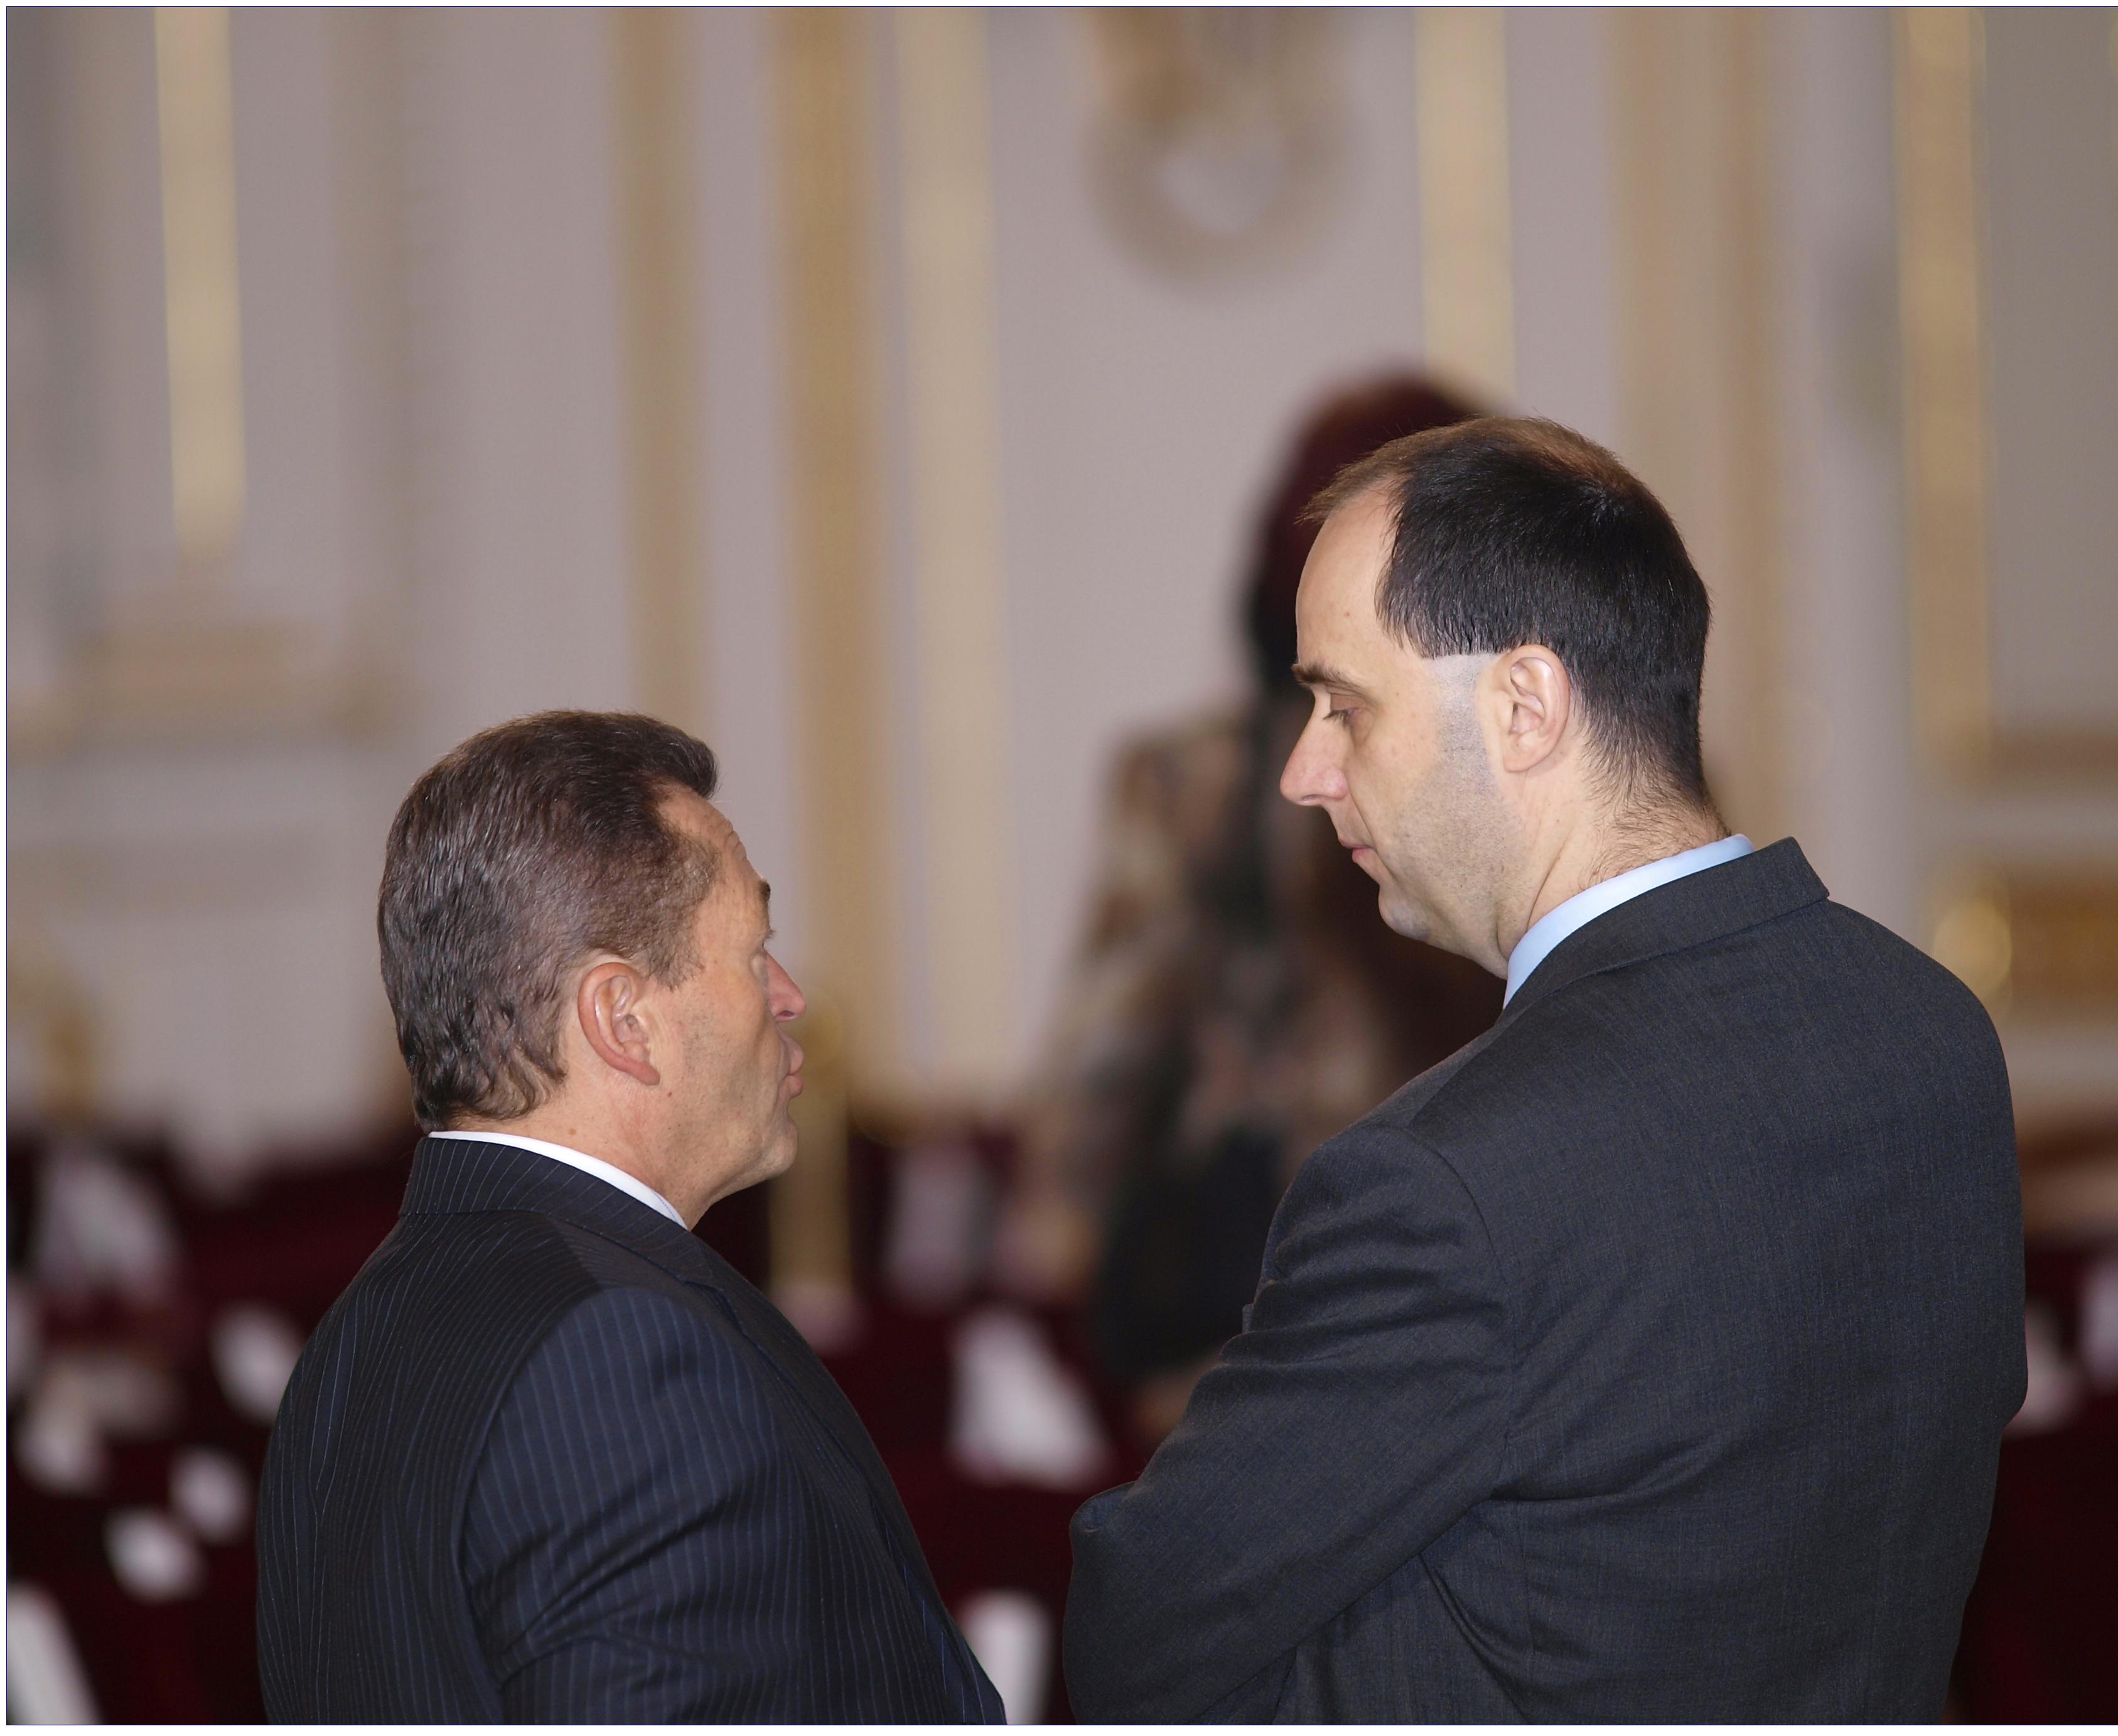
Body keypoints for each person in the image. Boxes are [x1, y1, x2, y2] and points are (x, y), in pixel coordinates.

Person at [1063, 418, 2026, 1721]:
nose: (1302, 770)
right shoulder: (1931, 1033)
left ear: (1523, 707)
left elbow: (1144, 1630)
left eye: (1344, 704)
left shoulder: (1442, 1182)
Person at [256, 713, 1001, 1723]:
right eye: (755, 951)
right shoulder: (620, 1352)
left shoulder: (355, 1335)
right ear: (622, 1020)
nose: (789, 998)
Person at [1004, 376, 1500, 1441]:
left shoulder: (1196, 781)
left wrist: (1032, 1330)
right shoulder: (1569, 761)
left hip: (1292, 1329)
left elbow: (1093, 1082)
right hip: (1448, 1306)